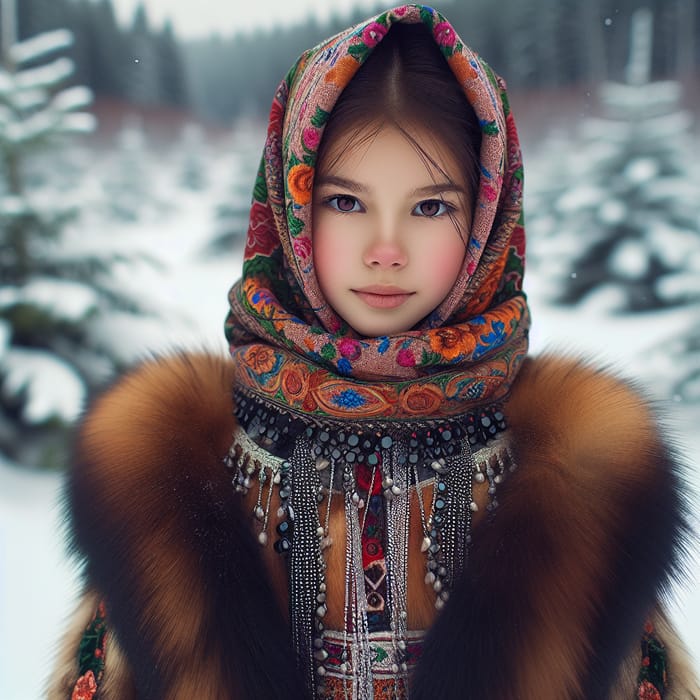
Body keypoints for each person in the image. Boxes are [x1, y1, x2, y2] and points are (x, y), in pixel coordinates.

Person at [48, 4, 698, 699]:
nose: (385, 250)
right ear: (291, 204)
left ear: (486, 216)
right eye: (346, 203)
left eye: (429, 208)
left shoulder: (575, 475)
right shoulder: (178, 472)